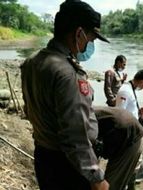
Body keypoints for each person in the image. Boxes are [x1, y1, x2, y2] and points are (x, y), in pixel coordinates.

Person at [20, 1, 110, 189]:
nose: (90, 45)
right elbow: (76, 134)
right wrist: (96, 177)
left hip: (43, 156)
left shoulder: (32, 62)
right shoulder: (68, 73)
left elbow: (28, 110)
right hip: (68, 166)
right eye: (91, 40)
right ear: (79, 34)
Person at [94, 106, 143, 190]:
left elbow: (86, 155)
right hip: (117, 136)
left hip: (131, 141)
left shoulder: (77, 120)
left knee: (111, 185)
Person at [115, 69, 143, 190]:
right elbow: (119, 114)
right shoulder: (125, 91)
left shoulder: (130, 89)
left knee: (136, 161)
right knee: (131, 161)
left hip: (133, 131)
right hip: (128, 134)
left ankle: (130, 184)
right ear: (141, 81)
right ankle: (127, 185)